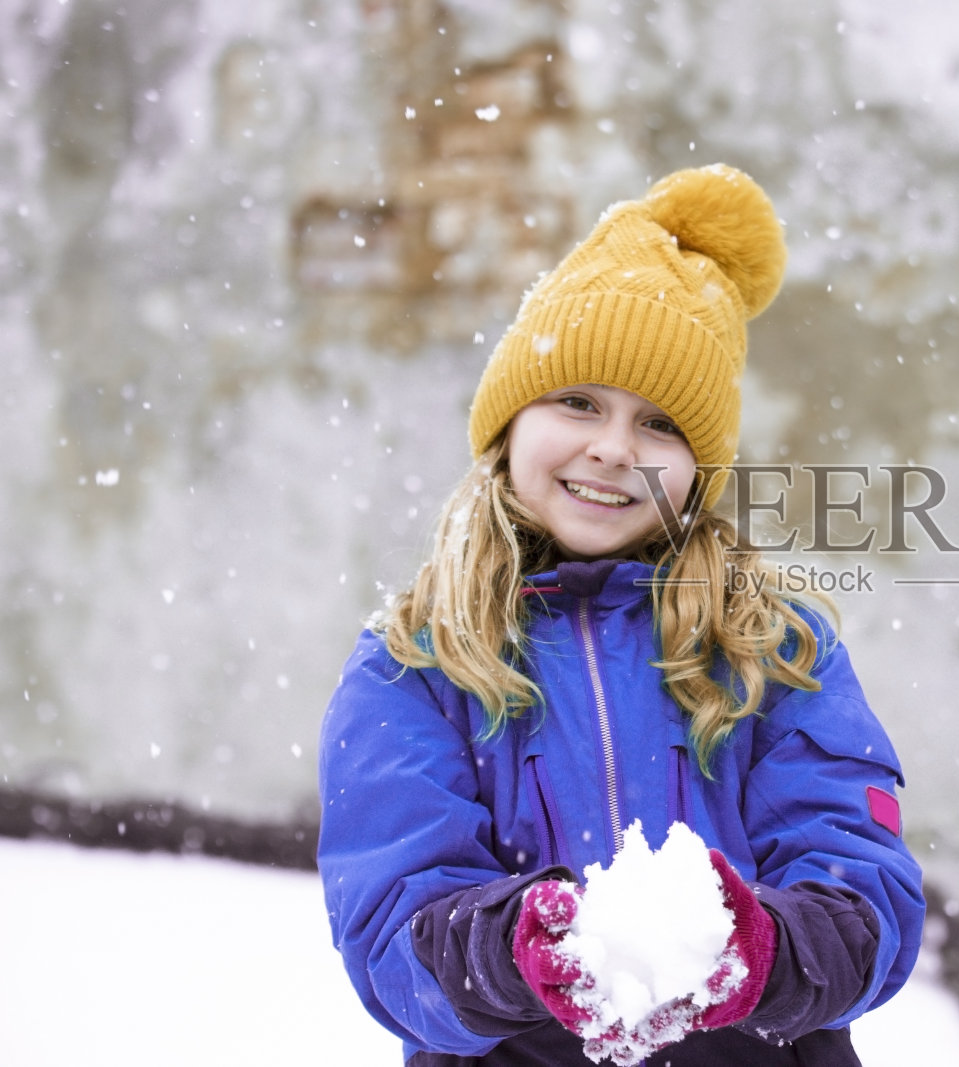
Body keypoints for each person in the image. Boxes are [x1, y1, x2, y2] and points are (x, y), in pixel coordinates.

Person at [317, 163, 925, 1067]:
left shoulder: (776, 648)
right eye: (578, 402)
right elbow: (392, 931)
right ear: (508, 424)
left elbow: (864, 891)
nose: (611, 449)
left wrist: (761, 949)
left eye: (660, 425)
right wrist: (516, 948)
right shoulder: (412, 667)